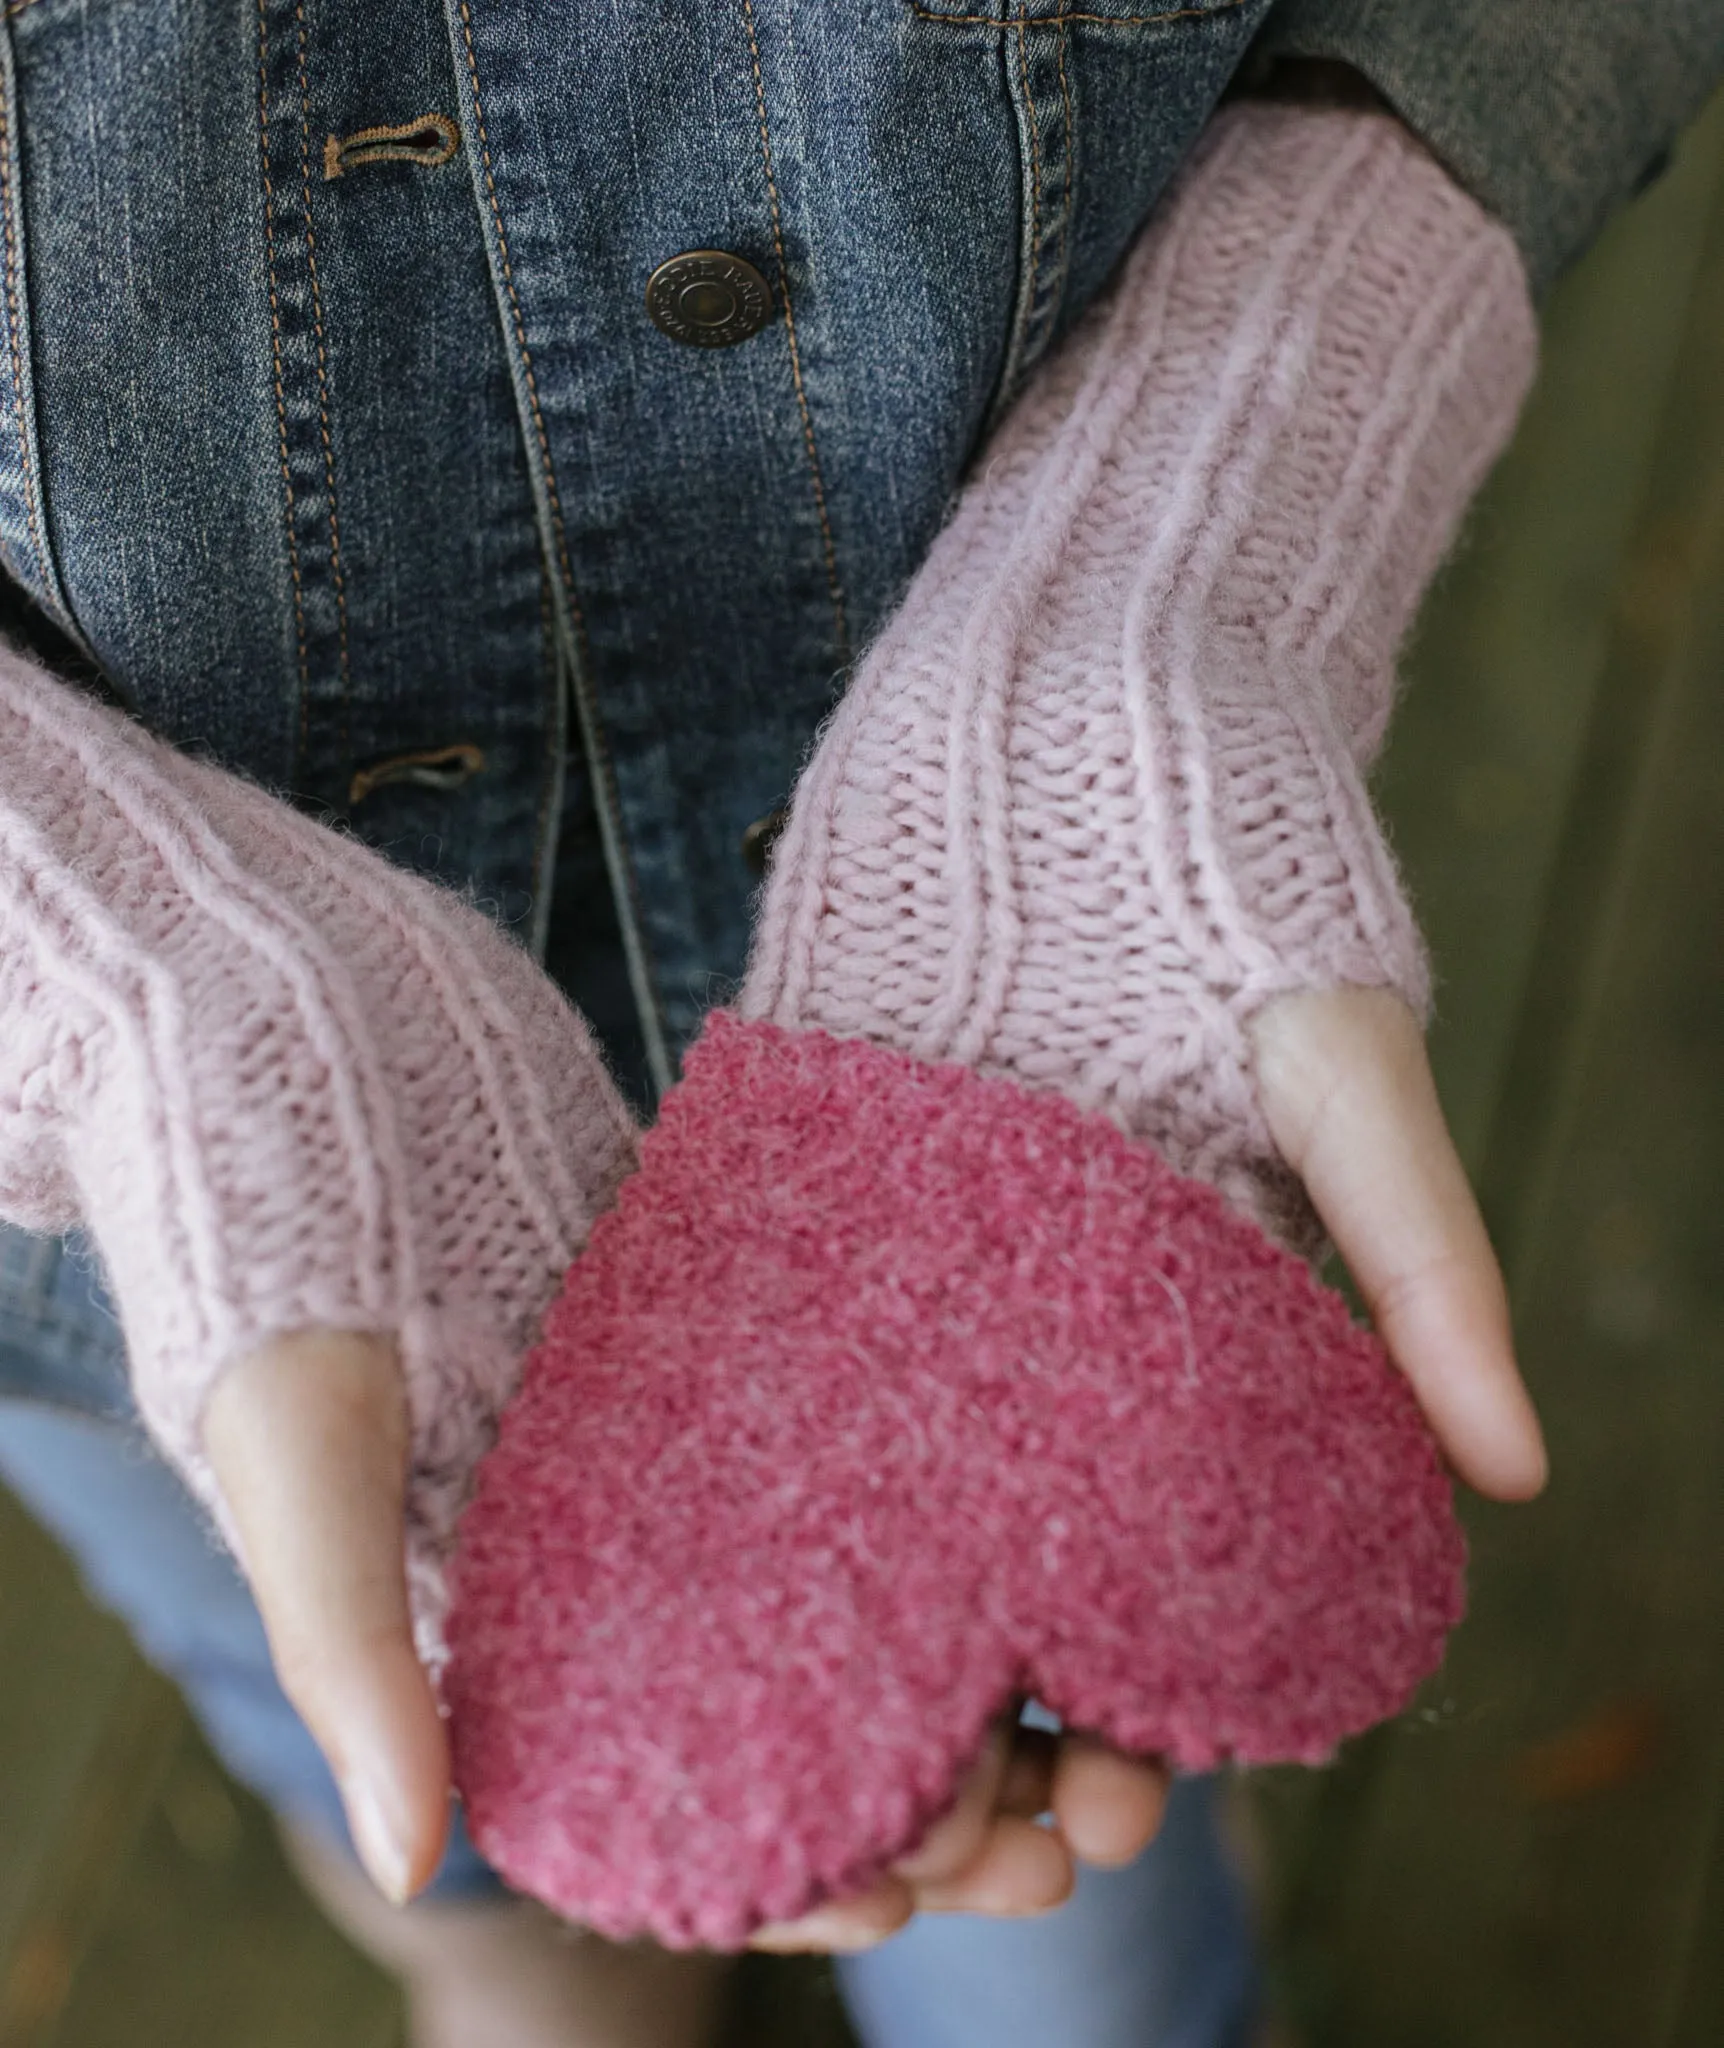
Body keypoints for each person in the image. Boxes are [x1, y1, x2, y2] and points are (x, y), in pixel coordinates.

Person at [0, 2, 1717, 2044]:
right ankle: (514, 1956)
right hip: (143, 1236)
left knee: (1078, 1948)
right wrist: (102, 962)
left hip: (1102, 1037)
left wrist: (1198, 521)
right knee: (361, 1726)